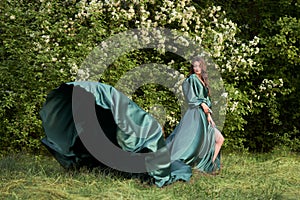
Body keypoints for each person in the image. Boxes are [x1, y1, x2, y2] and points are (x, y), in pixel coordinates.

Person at [166, 56, 224, 173]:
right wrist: (202, 104)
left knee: (219, 139)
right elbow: (191, 97)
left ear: (202, 67)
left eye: (199, 66)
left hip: (204, 114)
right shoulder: (192, 78)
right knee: (189, 141)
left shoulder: (203, 80)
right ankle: (206, 167)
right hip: (196, 114)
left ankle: (209, 166)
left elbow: (206, 101)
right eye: (194, 66)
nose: (197, 68)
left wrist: (209, 116)